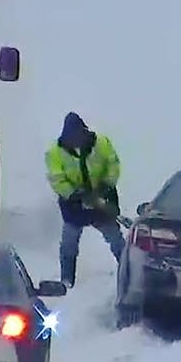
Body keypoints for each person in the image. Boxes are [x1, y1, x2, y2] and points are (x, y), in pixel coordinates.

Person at [45, 112, 126, 288]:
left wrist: (105, 187)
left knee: (115, 238)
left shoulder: (102, 143)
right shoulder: (55, 153)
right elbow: (56, 179)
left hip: (102, 199)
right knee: (69, 242)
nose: (75, 141)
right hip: (74, 204)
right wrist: (74, 194)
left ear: (84, 132)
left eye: (78, 136)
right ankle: (67, 280)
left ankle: (128, 272)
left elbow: (113, 165)